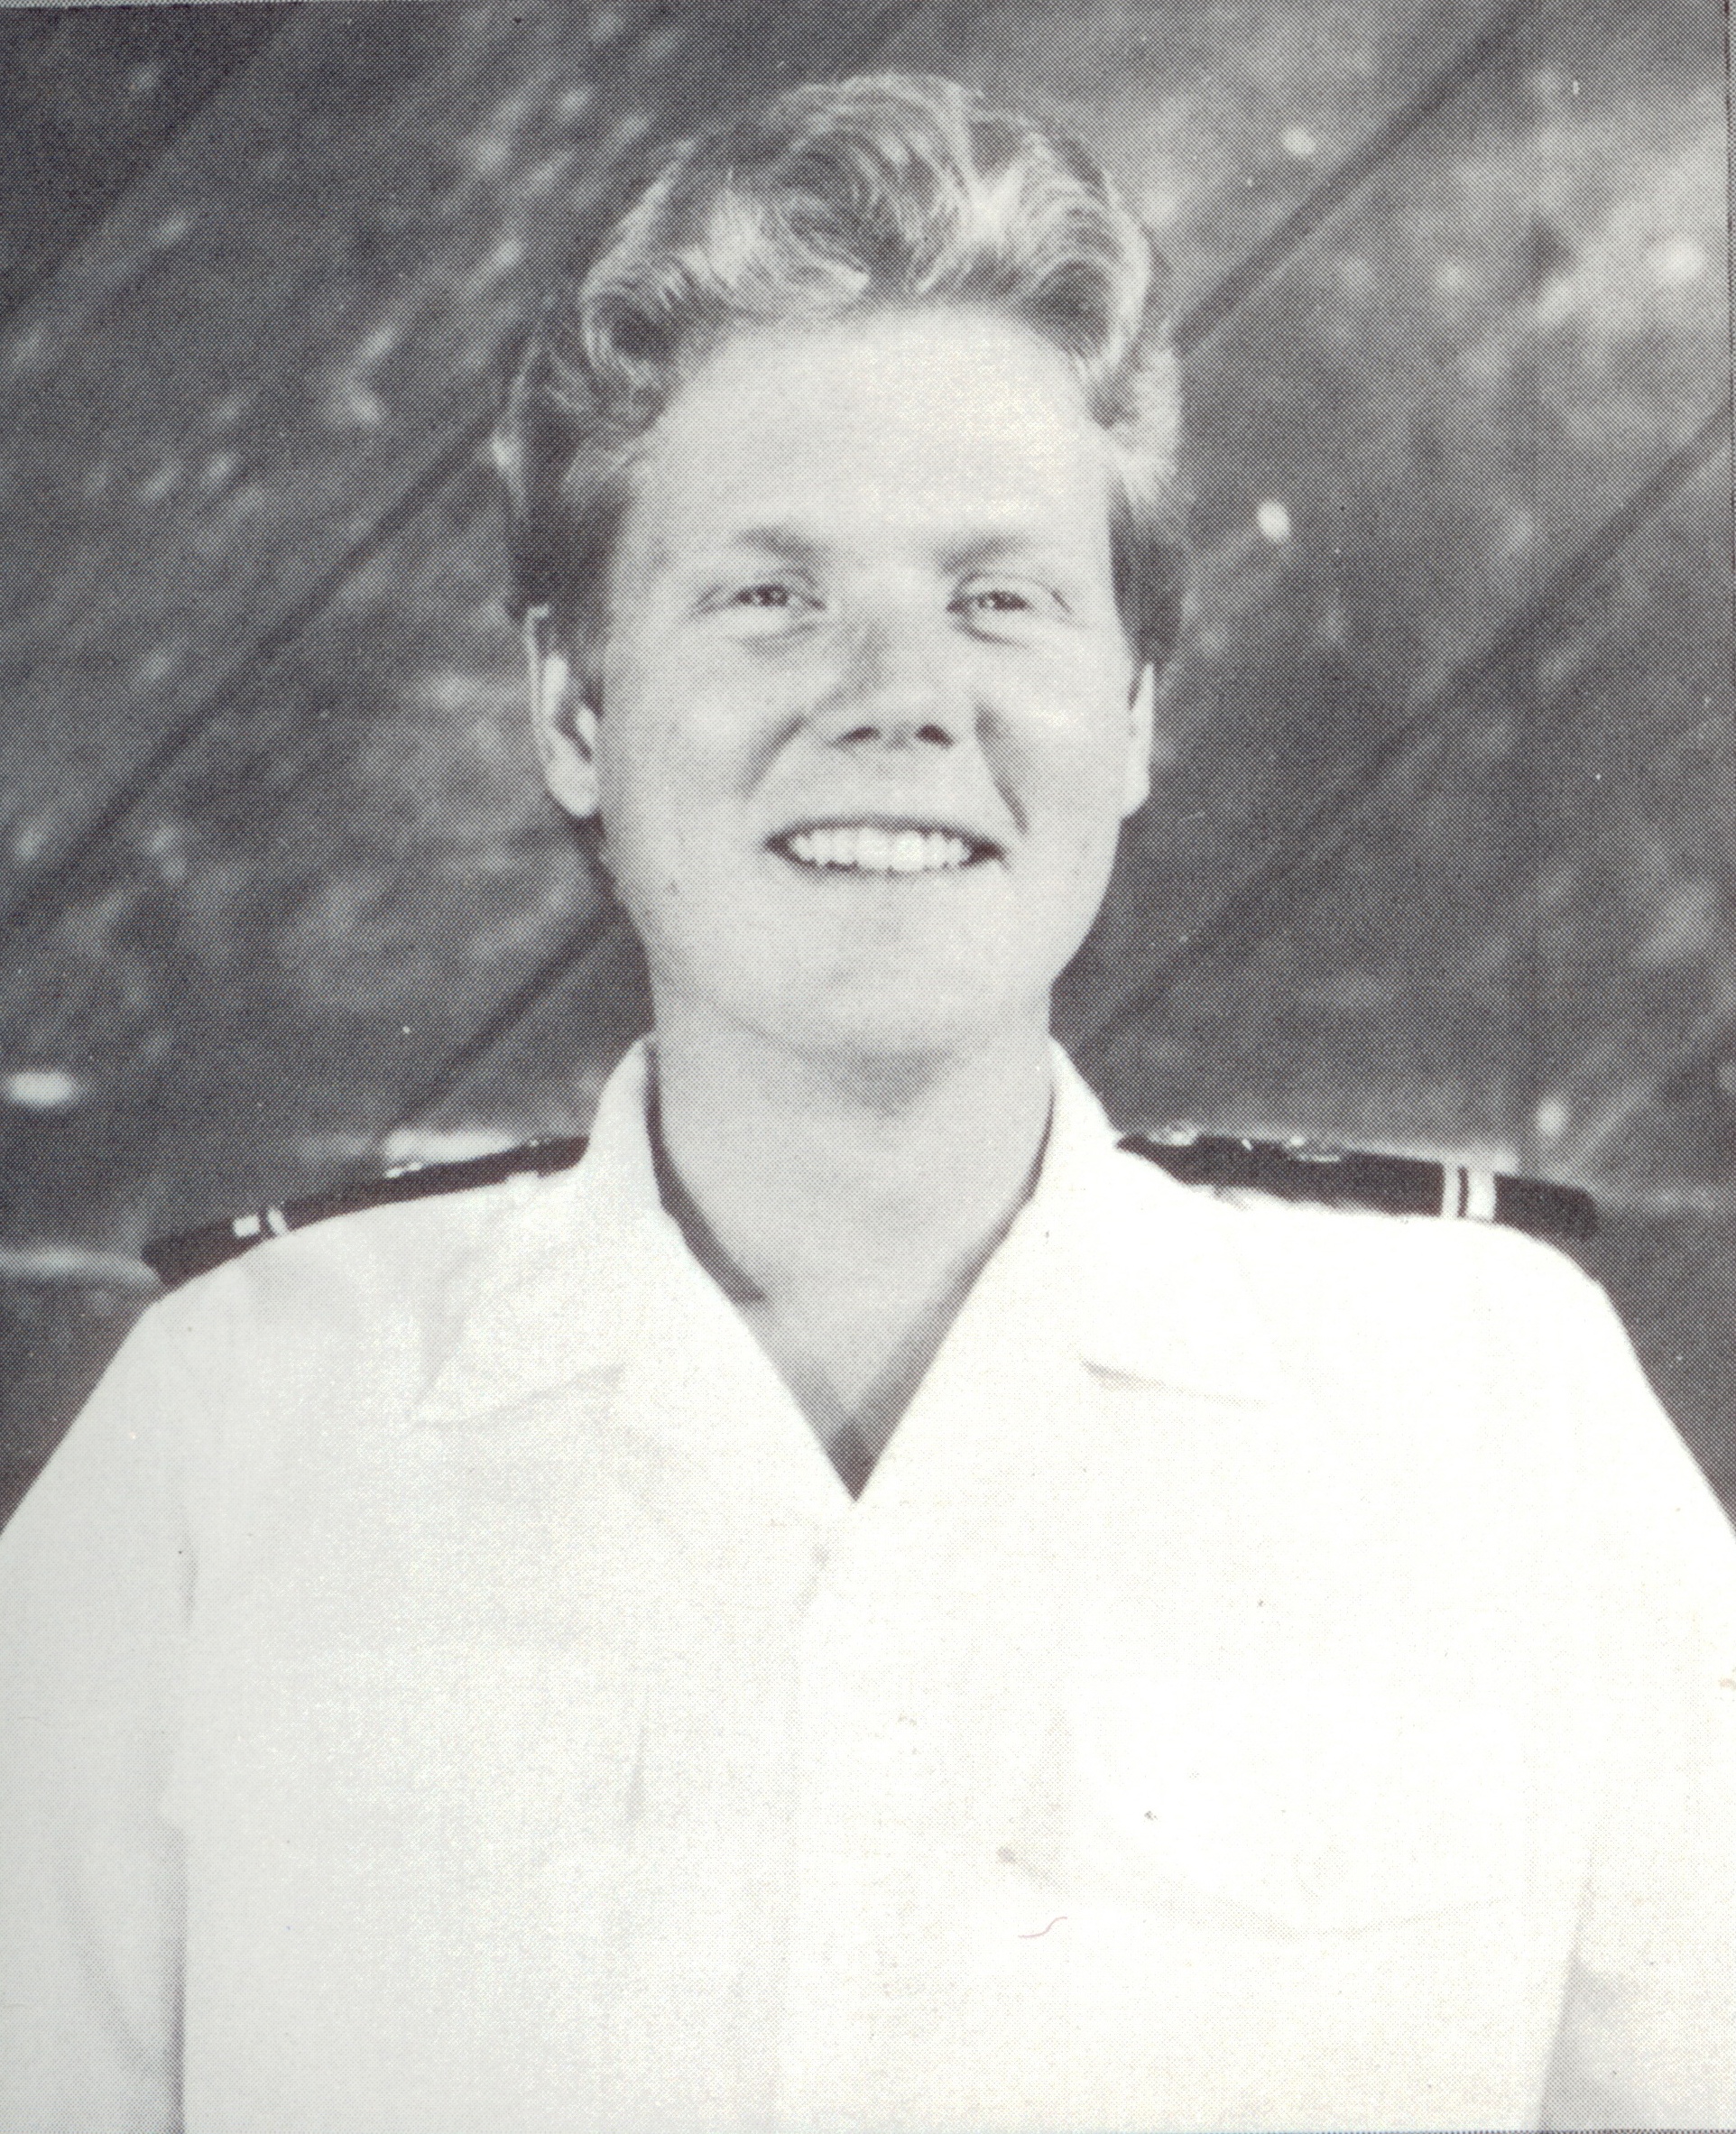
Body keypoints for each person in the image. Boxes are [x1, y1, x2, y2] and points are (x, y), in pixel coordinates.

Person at [2, 72, 1732, 2134]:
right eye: (768, 595)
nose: (897, 695)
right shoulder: (230, 1434)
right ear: (571, 707)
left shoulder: (1497, 1419)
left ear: (1132, 710)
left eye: (999, 597)